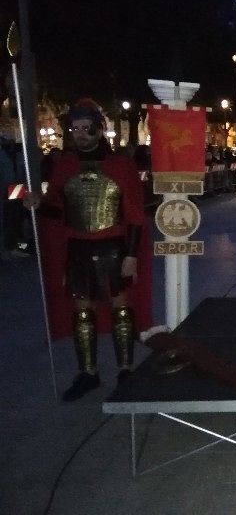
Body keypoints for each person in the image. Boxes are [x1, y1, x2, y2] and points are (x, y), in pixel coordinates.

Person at [24, 99, 152, 401]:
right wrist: (38, 204)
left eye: (86, 128)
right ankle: (88, 373)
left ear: (99, 129)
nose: (81, 134)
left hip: (113, 246)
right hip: (78, 247)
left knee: (121, 310)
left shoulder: (120, 165)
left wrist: (131, 255)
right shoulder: (65, 165)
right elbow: (59, 211)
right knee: (82, 314)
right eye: (76, 129)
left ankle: (125, 369)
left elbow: (134, 215)